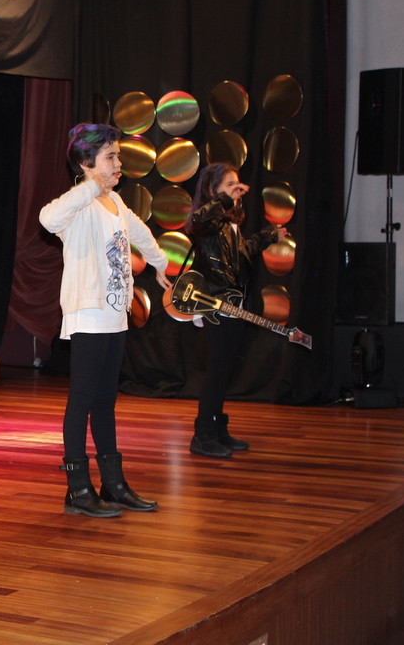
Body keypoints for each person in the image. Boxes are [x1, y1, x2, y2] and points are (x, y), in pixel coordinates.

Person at [39, 123, 171, 518]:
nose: (118, 164)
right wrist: (91, 185)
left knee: (105, 401)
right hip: (88, 313)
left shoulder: (115, 201)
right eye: (110, 157)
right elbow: (47, 218)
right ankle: (78, 489)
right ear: (86, 162)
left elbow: (140, 232)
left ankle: (113, 485)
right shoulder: (78, 204)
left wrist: (161, 264)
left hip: (114, 314)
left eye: (118, 156)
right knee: (82, 399)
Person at [185, 162, 286, 458]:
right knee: (218, 370)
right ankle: (203, 435)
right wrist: (226, 199)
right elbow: (200, 218)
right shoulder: (208, 220)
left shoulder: (228, 223)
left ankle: (217, 430)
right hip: (216, 303)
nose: (237, 191)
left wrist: (268, 237)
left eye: (238, 185)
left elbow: (240, 255)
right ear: (213, 191)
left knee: (225, 369)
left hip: (232, 303)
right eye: (229, 186)